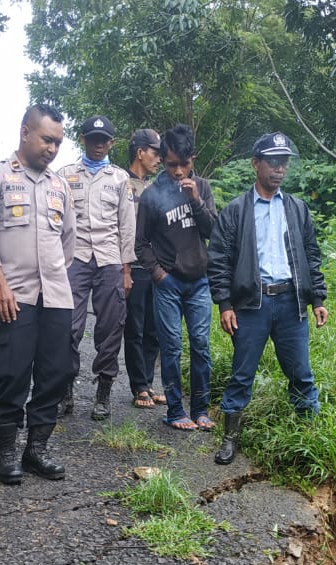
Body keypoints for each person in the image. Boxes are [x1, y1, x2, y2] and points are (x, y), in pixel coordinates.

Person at [207, 132, 328, 465]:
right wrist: (225, 304)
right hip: (251, 305)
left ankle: (310, 437)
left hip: (291, 304)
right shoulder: (235, 211)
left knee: (301, 373)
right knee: (242, 374)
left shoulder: (297, 209)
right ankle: (230, 438)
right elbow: (219, 259)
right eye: (273, 162)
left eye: (284, 162)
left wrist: (317, 298)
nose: (279, 169)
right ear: (255, 164)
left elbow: (311, 255)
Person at [0, 104, 76, 484]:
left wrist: (53, 275)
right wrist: (0, 282)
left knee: (54, 374)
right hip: (13, 295)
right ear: (25, 132)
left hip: (56, 296)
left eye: (58, 143)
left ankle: (36, 451)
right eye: (47, 139)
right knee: (14, 374)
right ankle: (6, 453)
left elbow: (68, 242)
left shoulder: (60, 185)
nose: (52, 148)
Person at [134, 124, 217, 431]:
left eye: (184, 164)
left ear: (192, 159)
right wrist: (159, 275)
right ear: (163, 159)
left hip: (199, 282)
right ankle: (174, 411)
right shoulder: (152, 196)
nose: (179, 171)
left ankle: (201, 409)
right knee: (171, 347)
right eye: (171, 165)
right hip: (168, 284)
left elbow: (214, 233)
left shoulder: (203, 187)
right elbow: (140, 244)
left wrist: (196, 200)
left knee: (200, 344)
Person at [62, 115, 136, 421]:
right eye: (93, 139)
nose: (98, 145)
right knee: (68, 327)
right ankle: (64, 393)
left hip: (109, 260)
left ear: (111, 143)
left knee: (110, 329)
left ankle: (103, 393)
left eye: (103, 140)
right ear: (83, 139)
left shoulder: (120, 179)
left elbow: (127, 225)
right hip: (75, 259)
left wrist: (127, 269)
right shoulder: (64, 175)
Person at [123, 128, 164, 409]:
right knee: (134, 329)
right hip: (132, 267)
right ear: (140, 152)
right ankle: (138, 385)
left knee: (154, 329)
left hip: (155, 268)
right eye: (155, 152)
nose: (159, 159)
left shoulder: (155, 188)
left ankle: (148, 383)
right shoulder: (119, 183)